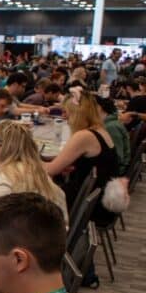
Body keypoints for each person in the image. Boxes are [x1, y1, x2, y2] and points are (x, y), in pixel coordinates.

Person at [0, 121, 68, 223]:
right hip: (53, 233)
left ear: (4, 147)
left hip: (33, 236)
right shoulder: (35, 169)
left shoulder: (10, 174)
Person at [45, 92, 119, 231]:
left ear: (77, 113)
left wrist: (24, 161)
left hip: (90, 208)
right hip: (102, 200)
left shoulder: (84, 136)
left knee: (31, 199)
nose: (64, 116)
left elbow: (50, 169)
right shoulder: (99, 129)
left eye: (66, 112)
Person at [99, 97, 130, 176]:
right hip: (114, 167)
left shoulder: (111, 127)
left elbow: (118, 157)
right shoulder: (111, 122)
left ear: (99, 109)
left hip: (114, 171)